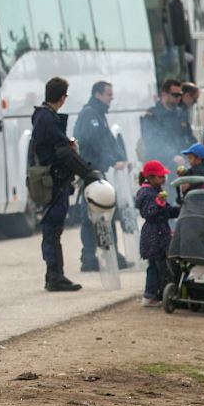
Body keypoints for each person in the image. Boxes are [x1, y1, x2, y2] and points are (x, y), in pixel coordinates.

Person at [30, 77, 100, 293]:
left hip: (54, 180)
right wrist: (87, 173)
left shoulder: (43, 116)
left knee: (53, 229)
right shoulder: (47, 118)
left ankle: (55, 275)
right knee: (52, 229)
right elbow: (61, 152)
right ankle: (54, 276)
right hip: (55, 182)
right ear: (63, 97)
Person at [73, 81, 130, 271]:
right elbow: (95, 143)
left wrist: (122, 158)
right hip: (90, 172)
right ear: (98, 95)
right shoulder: (90, 114)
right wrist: (113, 161)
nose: (111, 98)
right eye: (108, 95)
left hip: (95, 171)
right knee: (95, 214)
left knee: (100, 213)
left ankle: (103, 254)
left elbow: (108, 140)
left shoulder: (98, 114)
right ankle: (93, 257)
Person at [135, 160, 180, 307]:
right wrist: (159, 203)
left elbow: (166, 211)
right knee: (156, 266)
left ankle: (155, 294)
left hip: (159, 232)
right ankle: (150, 295)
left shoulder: (155, 191)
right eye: (161, 177)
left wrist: (179, 210)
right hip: (154, 235)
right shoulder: (146, 193)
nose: (163, 179)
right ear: (151, 177)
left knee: (157, 265)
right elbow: (149, 213)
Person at [141, 78, 194, 177]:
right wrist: (172, 156)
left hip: (180, 166)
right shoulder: (152, 115)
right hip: (160, 167)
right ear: (164, 95)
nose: (179, 98)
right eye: (175, 95)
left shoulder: (181, 114)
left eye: (180, 95)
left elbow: (189, 137)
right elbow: (152, 141)